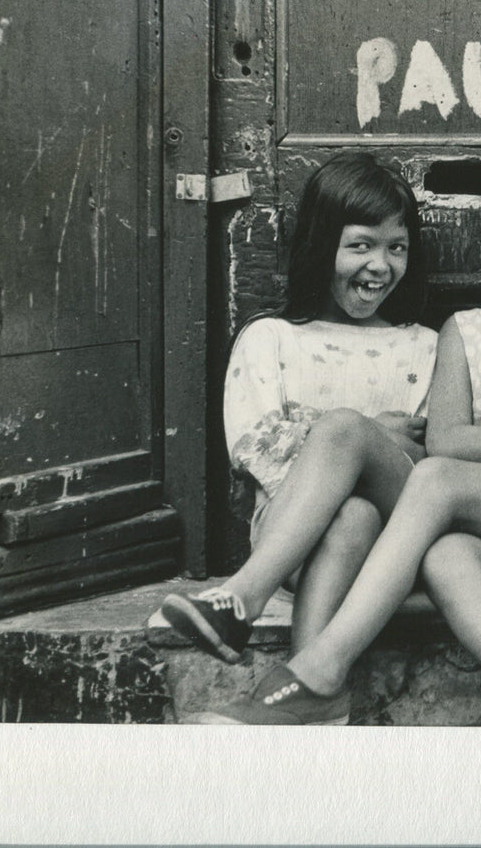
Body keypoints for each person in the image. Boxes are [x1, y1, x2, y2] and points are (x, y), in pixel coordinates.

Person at [193, 145, 481, 725]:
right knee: (445, 558)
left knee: (435, 480)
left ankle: (319, 666)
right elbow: (451, 442)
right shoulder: (465, 330)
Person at [156, 153, 436, 707]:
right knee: (351, 508)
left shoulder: (423, 345)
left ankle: (242, 597)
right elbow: (254, 445)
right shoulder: (272, 338)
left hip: (399, 542)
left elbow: (430, 458)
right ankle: (311, 695)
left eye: (396, 248)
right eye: (360, 245)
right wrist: (369, 436)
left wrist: (357, 439)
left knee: (346, 436)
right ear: (320, 244)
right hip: (291, 542)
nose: (380, 265)